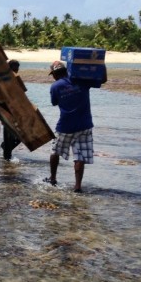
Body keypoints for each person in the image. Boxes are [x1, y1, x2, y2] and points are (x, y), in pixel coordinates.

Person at [45, 60, 105, 192]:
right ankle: (77, 186)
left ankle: (53, 178)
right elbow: (103, 79)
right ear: (66, 70)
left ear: (54, 74)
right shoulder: (82, 80)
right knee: (80, 157)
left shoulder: (55, 86)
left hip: (65, 126)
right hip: (84, 125)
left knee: (55, 151)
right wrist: (101, 64)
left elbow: (54, 103)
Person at [0, 59, 21, 160]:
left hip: (15, 112)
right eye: (15, 69)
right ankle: (6, 159)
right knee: (9, 136)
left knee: (19, 137)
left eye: (17, 69)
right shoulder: (4, 80)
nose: (16, 71)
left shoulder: (15, 79)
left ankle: (6, 150)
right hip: (7, 112)